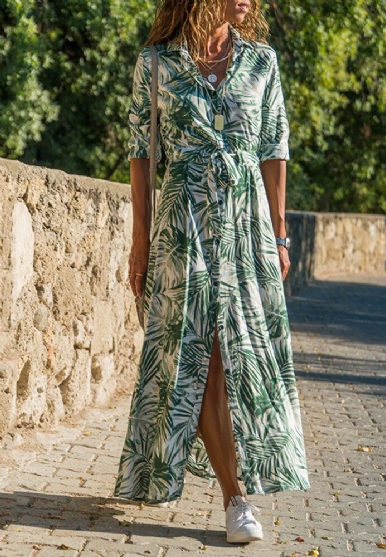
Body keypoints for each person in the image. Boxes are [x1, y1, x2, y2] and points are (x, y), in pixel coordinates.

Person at [114, 0, 310, 544]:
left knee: (234, 353)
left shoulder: (261, 62)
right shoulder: (155, 63)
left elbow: (274, 147)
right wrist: (139, 241)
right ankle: (235, 496)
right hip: (182, 226)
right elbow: (140, 154)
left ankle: (235, 484)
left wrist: (280, 231)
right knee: (199, 352)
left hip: (245, 226)